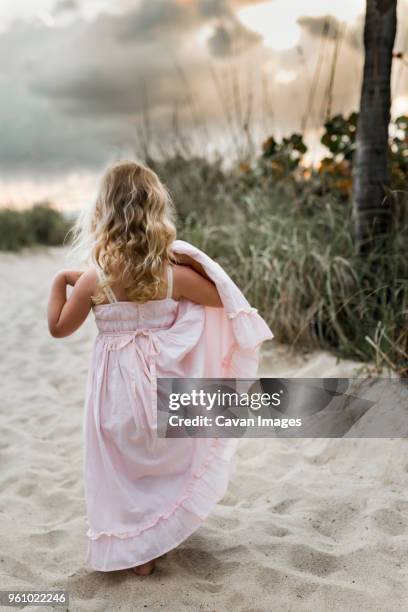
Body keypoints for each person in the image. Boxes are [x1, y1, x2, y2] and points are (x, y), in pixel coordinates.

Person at [47, 161, 273, 576]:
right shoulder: (174, 276)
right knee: (165, 458)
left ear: (103, 213)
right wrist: (189, 264)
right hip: (163, 385)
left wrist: (61, 280)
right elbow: (225, 301)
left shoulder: (92, 282)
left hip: (114, 395)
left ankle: (139, 555)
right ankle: (161, 531)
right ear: (156, 211)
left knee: (120, 466)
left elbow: (59, 328)